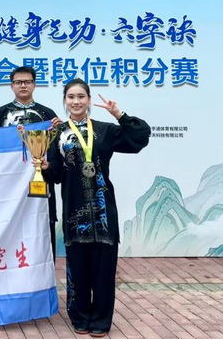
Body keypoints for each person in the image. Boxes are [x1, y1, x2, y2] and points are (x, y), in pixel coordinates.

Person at [43, 78, 150, 337]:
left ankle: (101, 320)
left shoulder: (104, 130)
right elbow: (56, 175)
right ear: (65, 101)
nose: (76, 101)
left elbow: (139, 138)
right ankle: (79, 316)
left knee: (104, 271)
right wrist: (45, 167)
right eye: (71, 97)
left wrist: (120, 115)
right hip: (74, 211)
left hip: (103, 214)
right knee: (77, 268)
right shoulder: (58, 133)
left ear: (89, 100)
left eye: (81, 96)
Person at [0, 66, 61, 260]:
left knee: (42, 229)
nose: (23, 85)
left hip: (40, 181)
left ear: (34, 84)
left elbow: (55, 152)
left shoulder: (47, 114)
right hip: (10, 184)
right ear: (11, 85)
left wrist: (59, 129)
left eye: (27, 82)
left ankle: (45, 273)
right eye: (18, 82)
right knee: (10, 231)